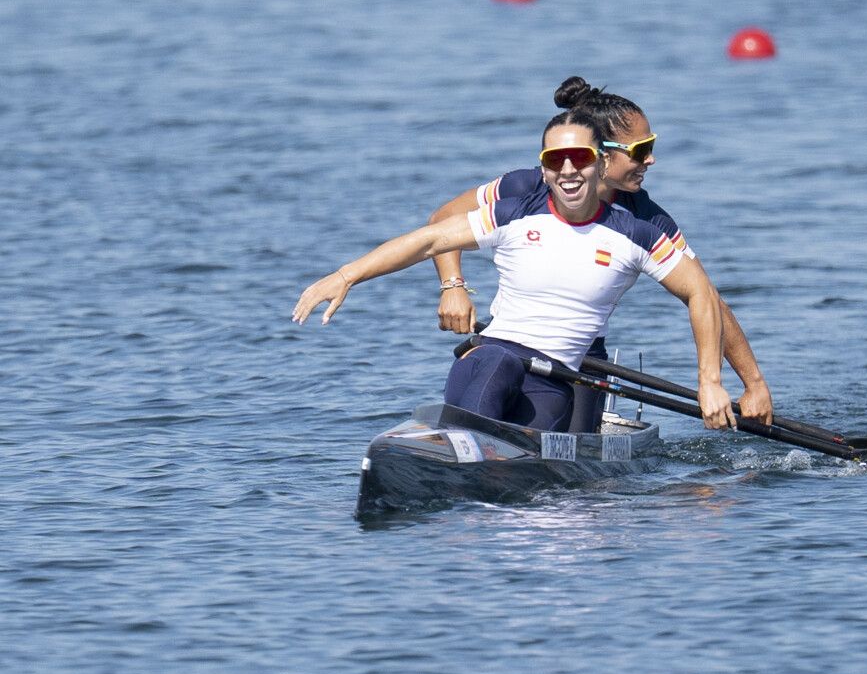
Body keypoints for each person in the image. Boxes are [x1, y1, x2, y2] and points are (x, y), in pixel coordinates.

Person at [292, 108, 737, 433]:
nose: (568, 170)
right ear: (542, 170)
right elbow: (427, 239)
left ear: (600, 163)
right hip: (489, 359)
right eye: (553, 161)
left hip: (556, 380)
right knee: (496, 361)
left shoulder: (637, 232)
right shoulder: (512, 213)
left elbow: (701, 294)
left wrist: (710, 383)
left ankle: (478, 455)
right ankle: (463, 453)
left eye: (579, 158)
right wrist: (346, 275)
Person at [427, 77, 774, 427]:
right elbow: (444, 218)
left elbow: (706, 296)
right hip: (508, 346)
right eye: (640, 150)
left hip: (580, 357)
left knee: (575, 469)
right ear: (604, 156)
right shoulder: (532, 185)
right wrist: (453, 286)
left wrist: (753, 384)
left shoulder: (646, 219)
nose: (650, 160)